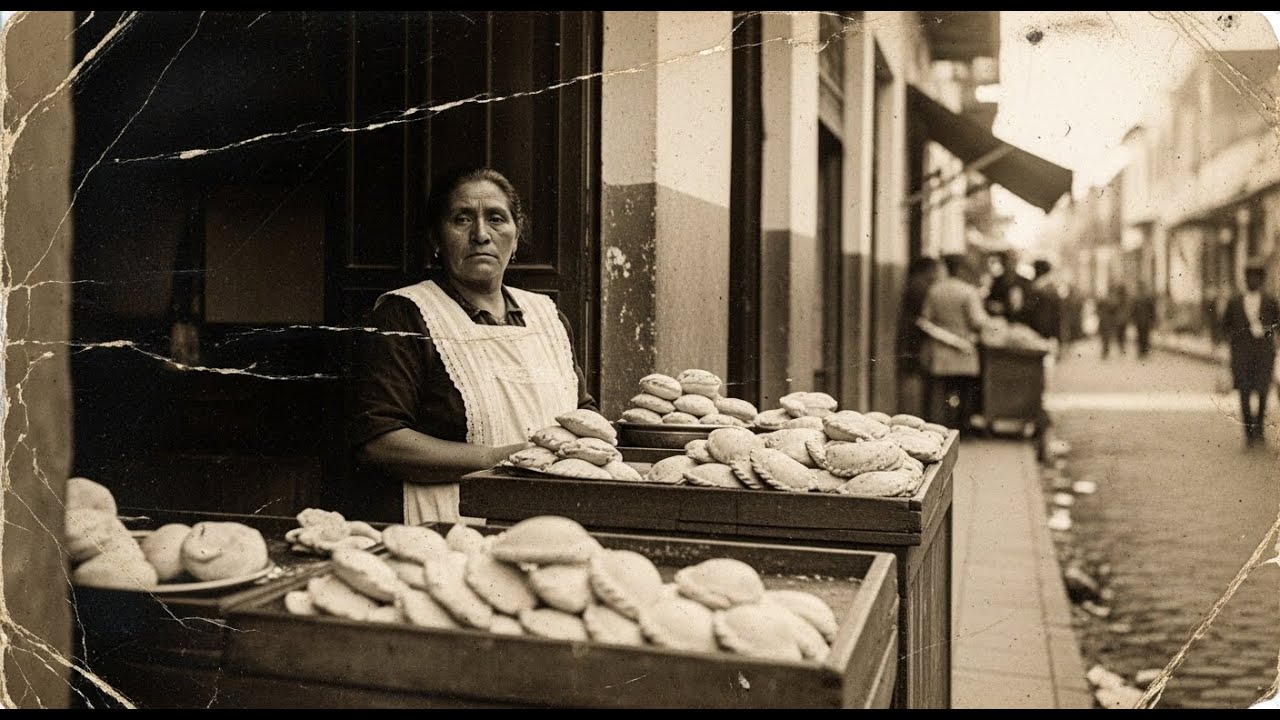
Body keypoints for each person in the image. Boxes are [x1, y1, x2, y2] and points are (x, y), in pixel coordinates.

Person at [348, 166, 598, 523]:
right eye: (462, 219)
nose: (481, 234)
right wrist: (500, 460)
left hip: (549, 517)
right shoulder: (404, 315)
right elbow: (380, 442)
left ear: (516, 234)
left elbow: (583, 410)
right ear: (436, 238)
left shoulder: (548, 316)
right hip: (446, 520)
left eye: (497, 218)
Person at [919, 253, 990, 432]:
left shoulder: (934, 289)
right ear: (960, 269)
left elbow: (926, 318)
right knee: (964, 393)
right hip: (963, 351)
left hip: (939, 351)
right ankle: (962, 429)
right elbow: (978, 321)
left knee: (939, 394)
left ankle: (939, 429)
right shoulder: (968, 291)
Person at [1221, 260, 1280, 448]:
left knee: (1263, 391)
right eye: (1249, 277)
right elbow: (1225, 325)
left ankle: (1260, 429)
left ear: (1261, 280)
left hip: (1264, 354)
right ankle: (1248, 432)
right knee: (1244, 392)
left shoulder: (1270, 302)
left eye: (1256, 277)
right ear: (1244, 279)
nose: (1252, 281)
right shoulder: (1234, 302)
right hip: (1241, 355)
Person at [897, 256, 941, 418]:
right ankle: (915, 414)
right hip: (915, 336)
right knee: (915, 375)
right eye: (935, 270)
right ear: (927, 270)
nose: (937, 274)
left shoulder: (916, 284)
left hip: (912, 335)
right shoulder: (920, 287)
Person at [1131, 283, 1158, 358]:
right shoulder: (1140, 299)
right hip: (1143, 321)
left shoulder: (1142, 298)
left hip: (1143, 321)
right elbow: (1133, 310)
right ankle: (1143, 351)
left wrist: (1153, 319)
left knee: (1143, 336)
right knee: (1143, 336)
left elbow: (1152, 310)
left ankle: (1143, 351)